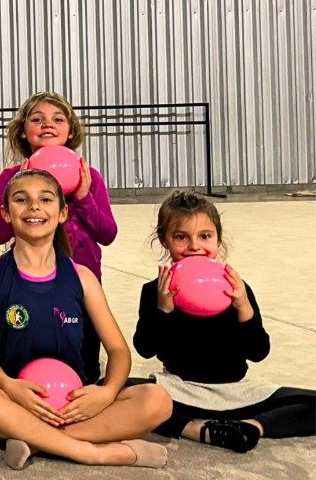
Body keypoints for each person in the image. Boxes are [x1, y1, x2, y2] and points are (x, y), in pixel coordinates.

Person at [0, 169, 172, 469]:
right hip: (20, 402)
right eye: (21, 199)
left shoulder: (82, 277)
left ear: (62, 213)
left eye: (45, 199)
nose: (34, 206)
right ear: (5, 213)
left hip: (76, 405)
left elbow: (118, 350)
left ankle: (34, 441)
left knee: (157, 400)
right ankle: (93, 452)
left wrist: (106, 392)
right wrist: (8, 386)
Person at [131, 191, 315, 452]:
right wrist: (164, 310)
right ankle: (193, 428)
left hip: (237, 393)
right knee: (111, 391)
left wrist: (243, 307)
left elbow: (259, 352)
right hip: (180, 391)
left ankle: (252, 426)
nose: (194, 246)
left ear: (218, 238)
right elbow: (145, 348)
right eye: (181, 237)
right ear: (164, 240)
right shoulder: (154, 291)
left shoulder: (237, 289)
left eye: (205, 236)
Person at [0, 91, 116, 381]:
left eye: (58, 119)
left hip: (82, 284)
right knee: (25, 348)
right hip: (27, 281)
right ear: (23, 131)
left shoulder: (89, 176)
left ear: (70, 131)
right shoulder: (10, 177)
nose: (48, 124)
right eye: (37, 119)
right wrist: (19, 189)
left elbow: (107, 234)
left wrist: (83, 197)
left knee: (84, 358)